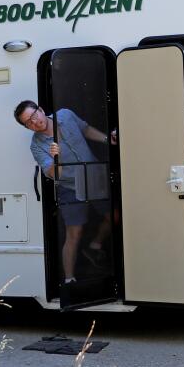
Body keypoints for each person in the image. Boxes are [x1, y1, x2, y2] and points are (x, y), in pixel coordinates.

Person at [14, 100, 116, 284]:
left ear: (41, 109)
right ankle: (70, 281)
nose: (35, 122)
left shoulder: (66, 115)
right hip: (69, 186)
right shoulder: (36, 146)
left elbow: (85, 129)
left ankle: (95, 245)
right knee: (74, 234)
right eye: (28, 122)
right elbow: (54, 174)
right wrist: (56, 158)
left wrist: (108, 139)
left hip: (93, 175)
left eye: (34, 115)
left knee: (115, 217)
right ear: (27, 127)